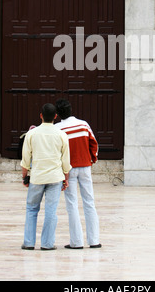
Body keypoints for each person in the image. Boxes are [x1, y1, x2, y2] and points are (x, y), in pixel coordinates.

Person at [21, 103, 71, 251]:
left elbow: (25, 159)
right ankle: (47, 244)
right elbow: (65, 161)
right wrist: (66, 178)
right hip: (55, 177)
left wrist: (25, 177)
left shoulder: (31, 134)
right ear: (55, 117)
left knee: (31, 209)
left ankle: (29, 242)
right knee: (51, 211)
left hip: (37, 177)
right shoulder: (61, 134)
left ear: (41, 115)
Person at [55, 99, 101, 249]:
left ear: (58, 114)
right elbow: (93, 143)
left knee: (72, 204)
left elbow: (58, 151)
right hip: (85, 166)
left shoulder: (58, 129)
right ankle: (94, 240)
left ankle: (76, 242)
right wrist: (91, 159)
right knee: (89, 202)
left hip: (69, 169)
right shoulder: (83, 124)